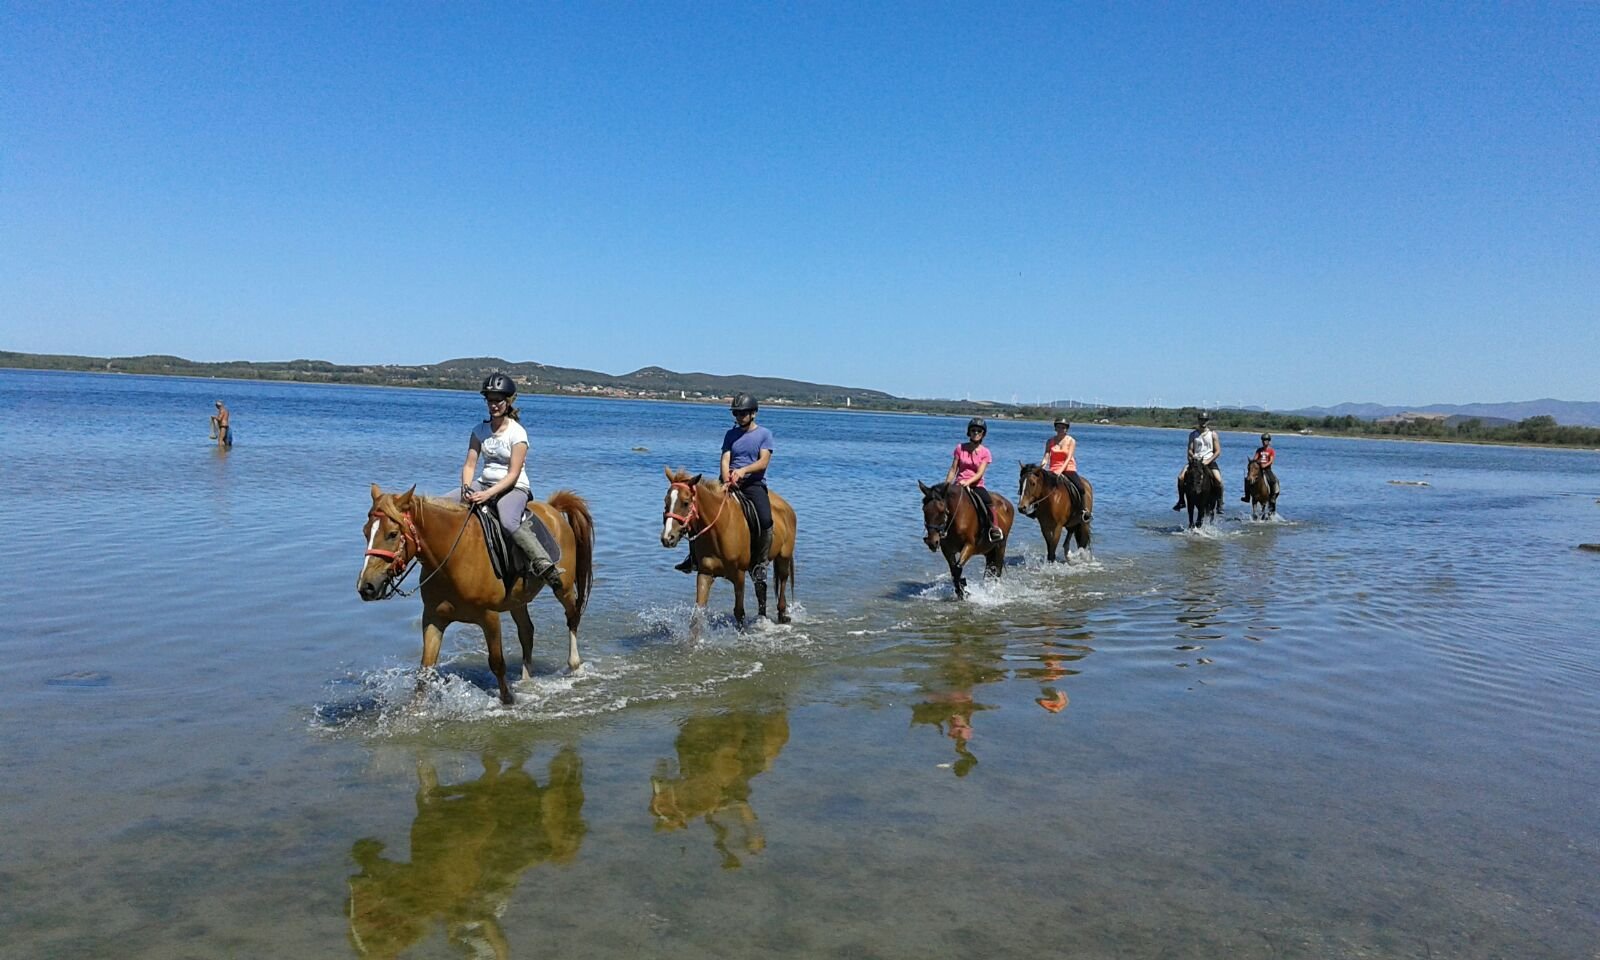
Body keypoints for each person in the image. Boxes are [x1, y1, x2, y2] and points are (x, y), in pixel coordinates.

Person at [459, 372, 561, 588]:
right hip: (483, 482)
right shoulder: (479, 431)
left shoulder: (518, 434)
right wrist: (466, 488)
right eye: (490, 400)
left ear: (508, 402)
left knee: (508, 520)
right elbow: (470, 464)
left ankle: (542, 561)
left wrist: (487, 494)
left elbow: (513, 473)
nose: (493, 405)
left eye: (498, 400)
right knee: (442, 505)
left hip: (513, 487)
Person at [674, 395, 777, 604]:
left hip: (753, 485)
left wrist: (743, 471)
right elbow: (725, 458)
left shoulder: (764, 434)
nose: (739, 417)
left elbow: (763, 461)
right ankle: (694, 558)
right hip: (729, 483)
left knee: (765, 520)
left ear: (753, 413)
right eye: (736, 413)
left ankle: (759, 564)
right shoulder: (730, 435)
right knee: (698, 515)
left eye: (743, 413)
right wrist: (727, 476)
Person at [945, 417, 1002, 542]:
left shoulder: (985, 452)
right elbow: (953, 469)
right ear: (969, 432)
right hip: (958, 484)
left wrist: (968, 482)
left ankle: (994, 528)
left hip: (976, 485)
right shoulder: (960, 448)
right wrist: (946, 485)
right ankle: (939, 531)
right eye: (973, 430)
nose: (976, 433)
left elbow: (980, 473)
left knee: (988, 501)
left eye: (979, 431)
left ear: (983, 434)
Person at [1040, 417, 1090, 522]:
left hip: (1068, 468)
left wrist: (1061, 470)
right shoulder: (1050, 441)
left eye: (1063, 427)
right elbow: (1046, 456)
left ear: (1067, 429)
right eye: (1059, 427)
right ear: (1055, 428)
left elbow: (1068, 458)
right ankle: (1036, 509)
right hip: (1053, 469)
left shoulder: (1071, 441)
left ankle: (1083, 510)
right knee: (1038, 486)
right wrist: (1041, 467)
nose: (1061, 429)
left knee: (1080, 488)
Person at [1173, 411, 1224, 511]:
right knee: (1180, 477)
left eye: (1205, 420)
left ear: (1207, 421)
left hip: (1209, 461)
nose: (1203, 422)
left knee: (1218, 480)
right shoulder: (1193, 435)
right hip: (1196, 461)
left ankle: (1219, 503)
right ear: (1198, 420)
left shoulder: (1213, 434)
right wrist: (1193, 457)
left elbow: (1217, 451)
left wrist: (1208, 460)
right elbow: (1189, 450)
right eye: (1201, 420)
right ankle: (1181, 501)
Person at [1243, 432, 1279, 501]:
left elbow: (1271, 460)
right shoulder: (1259, 450)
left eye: (1266, 440)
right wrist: (1253, 463)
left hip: (1267, 469)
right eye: (1263, 440)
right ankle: (1247, 496)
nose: (1264, 442)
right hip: (1259, 469)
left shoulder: (1271, 450)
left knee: (1273, 480)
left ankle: (1273, 496)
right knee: (1247, 479)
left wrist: (1265, 465)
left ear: (1269, 441)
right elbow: (1255, 458)